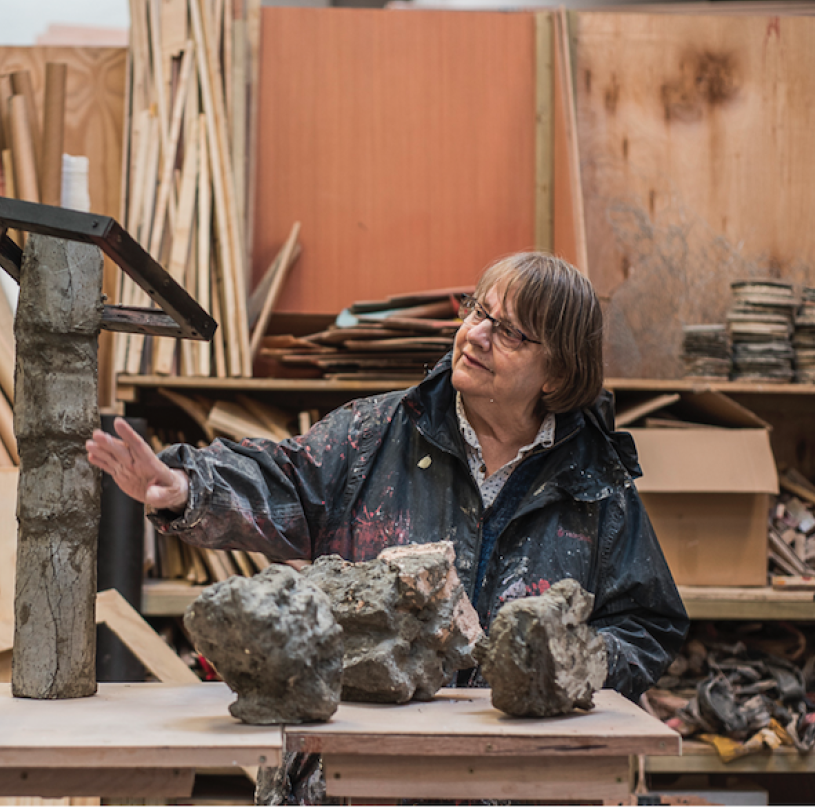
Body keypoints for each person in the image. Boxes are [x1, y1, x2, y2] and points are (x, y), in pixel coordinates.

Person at [87, 251, 688, 699]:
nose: (474, 334)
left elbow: (647, 624)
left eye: (508, 332)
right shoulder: (378, 432)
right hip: (368, 770)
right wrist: (191, 487)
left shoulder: (594, 484)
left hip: (515, 775)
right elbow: (284, 481)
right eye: (479, 310)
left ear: (555, 375)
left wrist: (569, 660)